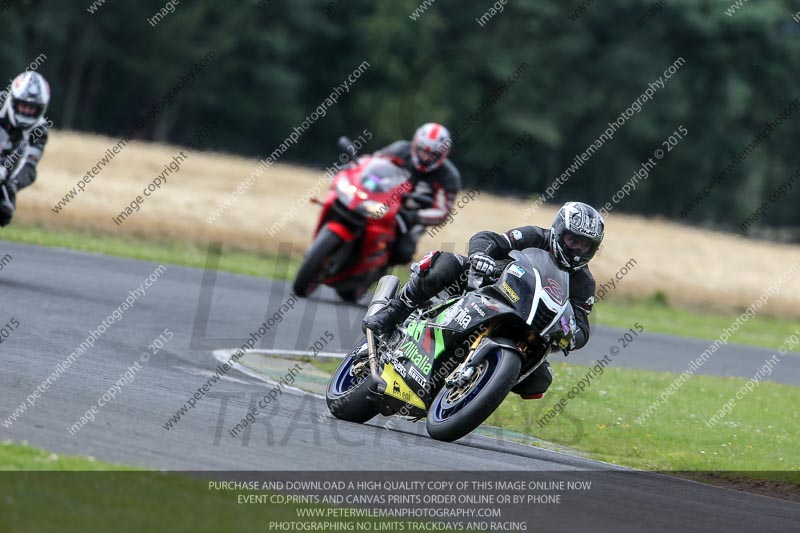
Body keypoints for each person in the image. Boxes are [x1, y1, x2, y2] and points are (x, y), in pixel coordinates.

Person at [363, 201, 604, 399]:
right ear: (559, 231)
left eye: (585, 246)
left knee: (540, 381)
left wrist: (570, 336)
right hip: (490, 287)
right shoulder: (534, 236)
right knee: (445, 263)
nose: (577, 250)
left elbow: (581, 326)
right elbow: (490, 238)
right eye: (573, 240)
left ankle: (485, 384)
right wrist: (480, 256)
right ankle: (394, 311)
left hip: (530, 327)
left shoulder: (584, 283)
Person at [376, 122, 461, 265]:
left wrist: (413, 216)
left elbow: (441, 212)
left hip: (410, 219)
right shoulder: (399, 150)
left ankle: (379, 276)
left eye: (432, 154)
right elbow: (372, 165)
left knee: (403, 252)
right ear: (415, 144)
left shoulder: (448, 176)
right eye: (423, 151)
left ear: (442, 154)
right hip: (378, 202)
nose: (426, 157)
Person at [0, 71, 51, 227]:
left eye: (31, 108)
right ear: (14, 100)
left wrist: (10, 181)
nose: (26, 111)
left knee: (5, 210)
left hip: (5, 174)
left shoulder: (39, 130)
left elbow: (29, 166)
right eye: (23, 105)